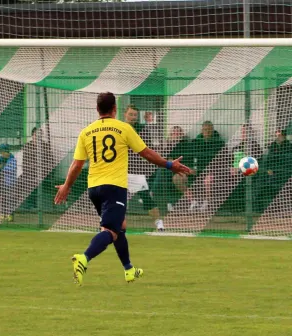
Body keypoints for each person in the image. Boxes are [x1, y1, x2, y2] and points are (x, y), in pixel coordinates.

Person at [54, 92, 191, 285]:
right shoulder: (123, 128)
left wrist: (67, 186)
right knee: (111, 231)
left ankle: (129, 270)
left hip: (94, 188)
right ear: (115, 109)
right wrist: (170, 165)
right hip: (114, 187)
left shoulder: (86, 132)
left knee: (120, 226)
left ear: (97, 109)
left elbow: (76, 165)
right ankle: (83, 259)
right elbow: (147, 153)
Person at [123, 105, 165, 231]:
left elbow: (148, 149)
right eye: (130, 114)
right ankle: (108, 224)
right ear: (125, 114)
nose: (133, 117)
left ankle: (159, 222)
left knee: (146, 197)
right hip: (119, 171)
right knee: (116, 200)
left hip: (136, 171)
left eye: (135, 115)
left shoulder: (142, 130)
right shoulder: (118, 128)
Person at [189, 121, 226, 211]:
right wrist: (192, 168)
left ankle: (206, 202)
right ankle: (193, 202)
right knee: (179, 177)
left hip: (213, 171)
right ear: (202, 130)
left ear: (213, 130)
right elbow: (190, 157)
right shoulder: (195, 142)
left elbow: (223, 159)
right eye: (205, 130)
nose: (207, 132)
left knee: (208, 180)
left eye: (209, 130)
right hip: (198, 169)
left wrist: (213, 169)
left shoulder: (219, 143)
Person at [22, 127, 54, 209]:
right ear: (33, 135)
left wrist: (45, 170)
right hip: (30, 173)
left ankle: (40, 206)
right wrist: (30, 169)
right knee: (29, 181)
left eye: (41, 135)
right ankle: (30, 206)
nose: (39, 137)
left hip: (43, 173)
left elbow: (50, 160)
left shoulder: (45, 146)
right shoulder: (27, 146)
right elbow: (25, 162)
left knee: (39, 181)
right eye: (37, 135)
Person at [0, 143, 17, 222]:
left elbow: (12, 169)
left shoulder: (12, 159)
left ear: (7, 151)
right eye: (1, 153)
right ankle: (3, 213)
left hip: (11, 182)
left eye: (3, 152)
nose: (2, 154)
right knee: (3, 198)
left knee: (10, 199)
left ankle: (10, 215)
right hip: (2, 182)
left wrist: (3, 168)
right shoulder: (0, 159)